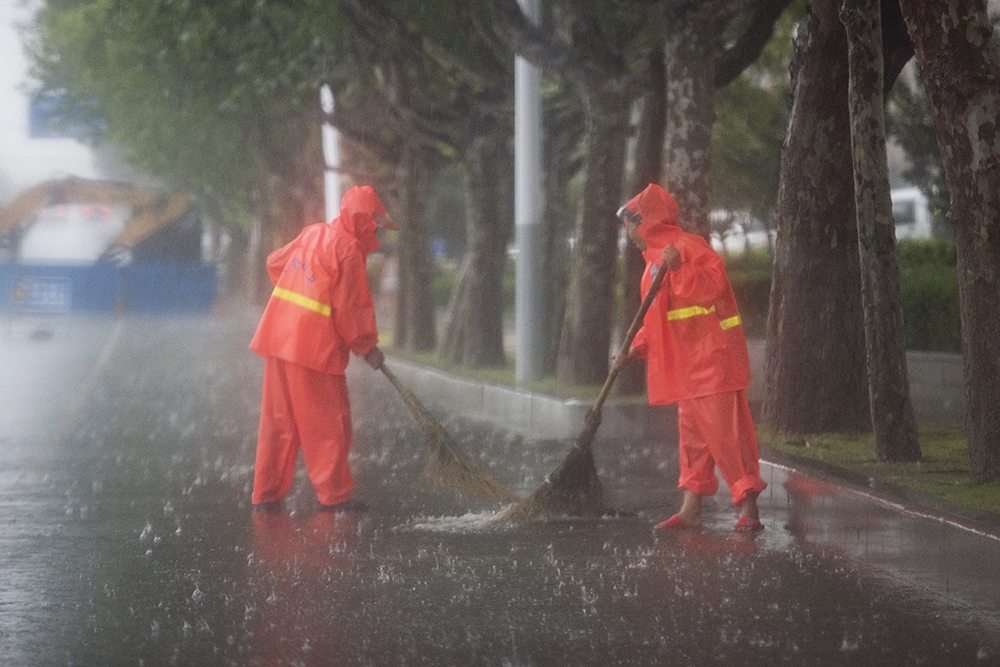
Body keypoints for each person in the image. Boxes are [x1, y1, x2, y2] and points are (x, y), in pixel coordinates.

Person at [614, 183, 767, 532]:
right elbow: (655, 319)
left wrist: (680, 267)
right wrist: (634, 349)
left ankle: (748, 509)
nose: (628, 233)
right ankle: (690, 509)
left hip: (712, 361)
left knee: (728, 437)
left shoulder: (688, 248)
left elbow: (711, 287)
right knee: (694, 441)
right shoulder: (652, 266)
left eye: (629, 224)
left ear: (645, 223)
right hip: (687, 369)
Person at [249, 185, 397, 513]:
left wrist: (302, 293)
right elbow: (351, 308)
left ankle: (266, 493)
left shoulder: (312, 233)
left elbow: (276, 263)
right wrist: (366, 347)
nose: (377, 233)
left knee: (278, 422)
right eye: (376, 225)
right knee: (329, 423)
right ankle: (334, 496)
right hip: (313, 349)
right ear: (364, 221)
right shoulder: (347, 249)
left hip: (279, 339)